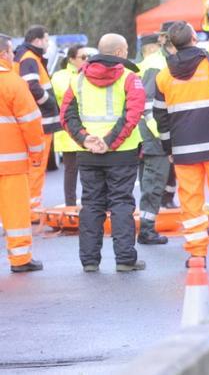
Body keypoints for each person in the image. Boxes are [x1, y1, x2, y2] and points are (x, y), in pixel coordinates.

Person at [152, 22, 209, 266]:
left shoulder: (164, 76)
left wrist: (169, 150)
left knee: (191, 203)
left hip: (184, 152)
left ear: (172, 43)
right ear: (194, 38)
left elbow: (161, 119)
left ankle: (197, 255)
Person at [60, 34, 147, 272]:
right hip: (122, 152)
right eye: (127, 49)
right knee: (121, 203)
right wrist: (109, 142)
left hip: (88, 153)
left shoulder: (78, 79)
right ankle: (125, 260)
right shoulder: (130, 78)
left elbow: (67, 115)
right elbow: (133, 115)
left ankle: (89, 261)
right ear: (119, 53)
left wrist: (85, 138)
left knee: (91, 204)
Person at [0, 33, 45, 273]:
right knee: (15, 212)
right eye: (10, 52)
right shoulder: (12, 82)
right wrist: (37, 154)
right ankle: (19, 258)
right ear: (4, 54)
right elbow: (30, 122)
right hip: (11, 164)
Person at [15, 25, 61, 219]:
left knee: (33, 168)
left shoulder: (27, 57)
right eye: (46, 39)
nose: (48, 43)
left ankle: (28, 208)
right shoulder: (30, 59)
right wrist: (49, 102)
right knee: (36, 167)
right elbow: (32, 87)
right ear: (37, 41)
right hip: (40, 123)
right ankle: (31, 211)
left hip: (37, 121)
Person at [134, 30, 170, 245]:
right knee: (154, 181)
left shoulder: (151, 62)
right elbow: (148, 103)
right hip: (154, 134)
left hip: (146, 132)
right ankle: (147, 230)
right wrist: (160, 134)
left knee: (152, 181)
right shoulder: (157, 63)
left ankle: (146, 226)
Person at [50, 44, 94, 207]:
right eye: (83, 57)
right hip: (68, 133)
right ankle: (70, 206)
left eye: (88, 56)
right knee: (71, 171)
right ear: (71, 59)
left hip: (89, 130)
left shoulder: (89, 73)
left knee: (89, 173)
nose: (87, 60)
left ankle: (90, 205)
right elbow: (69, 93)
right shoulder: (61, 76)